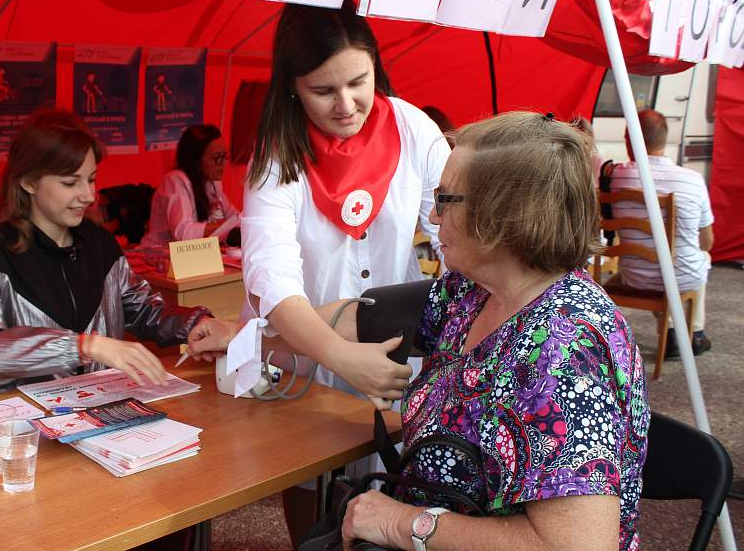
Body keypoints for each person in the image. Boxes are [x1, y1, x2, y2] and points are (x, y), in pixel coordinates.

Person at [192, 112, 649, 550]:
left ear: (505, 215)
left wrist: (402, 523)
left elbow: (579, 544)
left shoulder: (563, 352)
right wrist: (244, 335)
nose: (433, 217)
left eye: (446, 199)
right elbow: (359, 316)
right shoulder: (476, 293)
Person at [234, 0, 450, 543]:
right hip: (305, 338)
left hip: (393, 333)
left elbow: (458, 231)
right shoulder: (276, 156)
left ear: (377, 64)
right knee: (306, 476)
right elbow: (272, 280)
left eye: (359, 81)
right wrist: (338, 355)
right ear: (291, 85)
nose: (347, 104)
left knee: (389, 474)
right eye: (322, 91)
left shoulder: (413, 129)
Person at [0, 108, 218, 399]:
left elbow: (142, 309)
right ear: (27, 181)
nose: (88, 195)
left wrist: (196, 324)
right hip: (23, 427)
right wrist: (82, 346)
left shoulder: (100, 243)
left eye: (91, 179)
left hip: (98, 409)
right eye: (70, 183)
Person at [609, 109, 714, 356]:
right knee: (699, 259)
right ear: (665, 138)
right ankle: (693, 332)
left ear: (629, 139)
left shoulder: (616, 176)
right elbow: (707, 241)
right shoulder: (693, 180)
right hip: (682, 275)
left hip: (636, 276)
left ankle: (671, 331)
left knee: (656, 264)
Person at [140, 124, 240, 248]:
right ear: (196, 161)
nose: (224, 162)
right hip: (159, 256)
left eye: (225, 154)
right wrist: (225, 226)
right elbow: (183, 232)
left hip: (192, 259)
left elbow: (234, 217)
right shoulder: (175, 180)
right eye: (217, 157)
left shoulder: (212, 181)